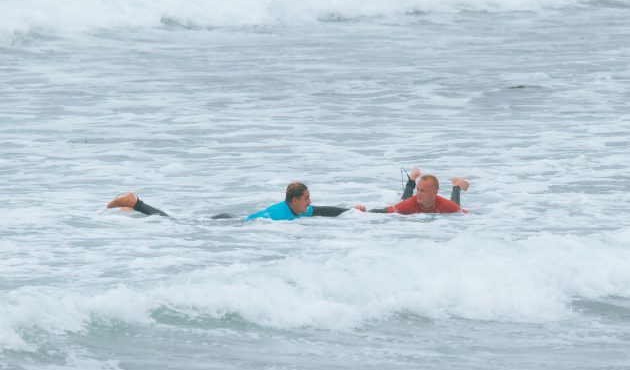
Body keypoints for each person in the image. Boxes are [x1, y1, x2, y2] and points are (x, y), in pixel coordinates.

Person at [106, 182, 358, 221]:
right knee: (175, 222)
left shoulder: (295, 210)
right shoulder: (280, 216)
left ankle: (134, 206)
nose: (310, 202)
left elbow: (322, 211)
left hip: (234, 222)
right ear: (294, 200)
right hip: (228, 224)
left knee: (177, 221)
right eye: (306, 198)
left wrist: (351, 212)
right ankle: (136, 202)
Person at [357, 167, 469, 214]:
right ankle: (412, 178)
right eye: (418, 189)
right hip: (408, 205)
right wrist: (364, 212)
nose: (418, 193)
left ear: (435, 192)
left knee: (454, 208)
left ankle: (456, 185)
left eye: (423, 191)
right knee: (405, 201)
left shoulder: (445, 204)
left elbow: (463, 213)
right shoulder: (410, 203)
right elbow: (383, 212)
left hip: (447, 205)